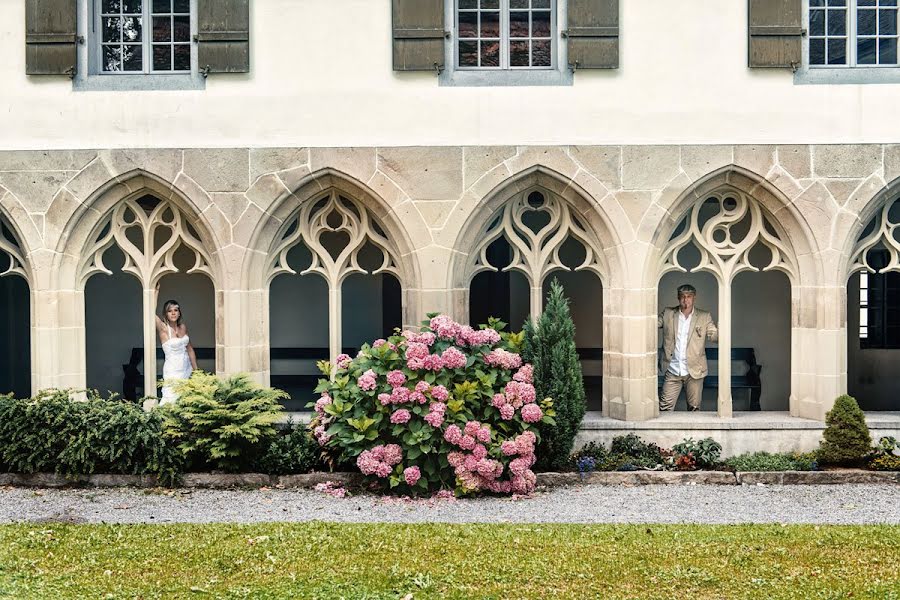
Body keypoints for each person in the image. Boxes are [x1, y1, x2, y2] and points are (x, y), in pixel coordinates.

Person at [658, 284, 718, 412]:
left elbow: (713, 335)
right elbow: (649, 323)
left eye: (689, 297)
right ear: (678, 298)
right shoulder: (668, 313)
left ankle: (693, 433)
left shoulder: (704, 316)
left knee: (694, 409)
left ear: (694, 297)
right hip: (673, 369)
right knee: (664, 408)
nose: (686, 300)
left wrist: (720, 332)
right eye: (682, 297)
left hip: (695, 371)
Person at [154, 284, 197, 405]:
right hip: (172, 370)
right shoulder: (163, 328)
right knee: (171, 398)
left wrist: (196, 370)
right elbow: (149, 313)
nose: (173, 313)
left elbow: (189, 349)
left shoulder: (182, 327)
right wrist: (155, 293)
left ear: (179, 313)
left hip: (186, 367)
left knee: (185, 399)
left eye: (175, 310)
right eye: (169, 311)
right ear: (166, 314)